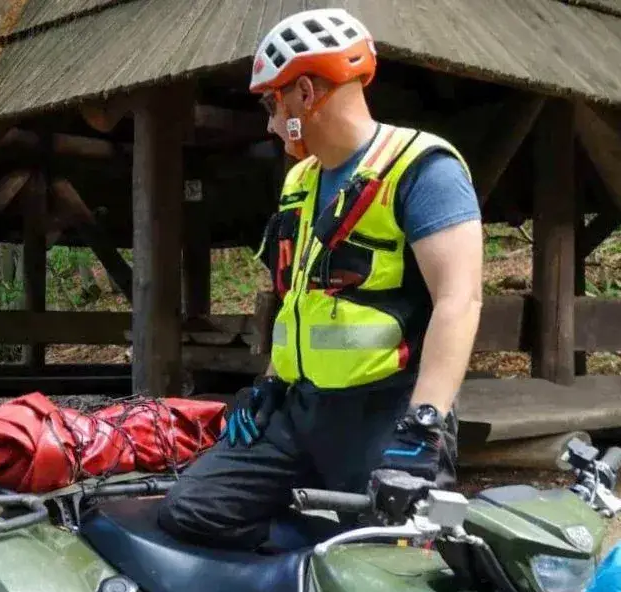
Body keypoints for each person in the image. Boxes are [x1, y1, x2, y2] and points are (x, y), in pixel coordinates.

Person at [158, 8, 484, 548]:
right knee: (191, 510)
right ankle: (313, 561)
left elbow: (460, 298)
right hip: (297, 409)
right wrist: (268, 382)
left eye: (272, 102)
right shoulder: (300, 181)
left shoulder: (422, 168)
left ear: (305, 93)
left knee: (392, 559)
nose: (269, 121)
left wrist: (423, 424)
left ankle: (346, 553)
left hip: (385, 413)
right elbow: (299, 301)